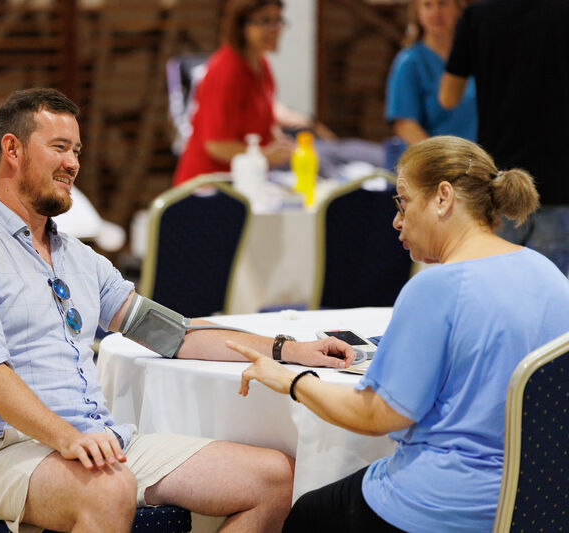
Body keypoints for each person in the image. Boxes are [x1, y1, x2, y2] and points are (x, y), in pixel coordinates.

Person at [0, 87, 357, 533]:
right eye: (60, 148)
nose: (73, 163)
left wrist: (288, 350)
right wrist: (67, 438)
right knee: (109, 487)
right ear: (12, 149)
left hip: (100, 443)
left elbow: (175, 335)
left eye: (77, 151)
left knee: (276, 478)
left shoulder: (77, 258)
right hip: (1, 452)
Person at [227, 136, 569, 532]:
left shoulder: (436, 288)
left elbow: (376, 415)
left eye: (403, 203)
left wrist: (291, 380)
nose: (397, 221)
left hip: (443, 504)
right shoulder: (548, 273)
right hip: (538, 502)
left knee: (306, 513)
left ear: (443, 198)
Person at [439, 0, 569, 275]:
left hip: (498, 179)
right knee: (550, 294)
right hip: (560, 180)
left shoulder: (478, 16)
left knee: (496, 287)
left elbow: (448, 97)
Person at [172, 0, 338, 186]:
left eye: (278, 20)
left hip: (247, 184)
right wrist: (265, 155)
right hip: (210, 188)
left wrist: (279, 143)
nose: (275, 29)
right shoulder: (226, 70)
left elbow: (265, 120)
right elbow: (215, 145)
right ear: (241, 25)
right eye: (265, 21)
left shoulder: (262, 66)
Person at [384, 0, 476, 147]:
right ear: (417, 13)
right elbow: (406, 126)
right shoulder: (409, 62)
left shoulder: (476, 57)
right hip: (433, 163)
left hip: (477, 161)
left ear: (459, 8)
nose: (436, 13)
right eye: (427, 5)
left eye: (443, 3)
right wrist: (441, 163)